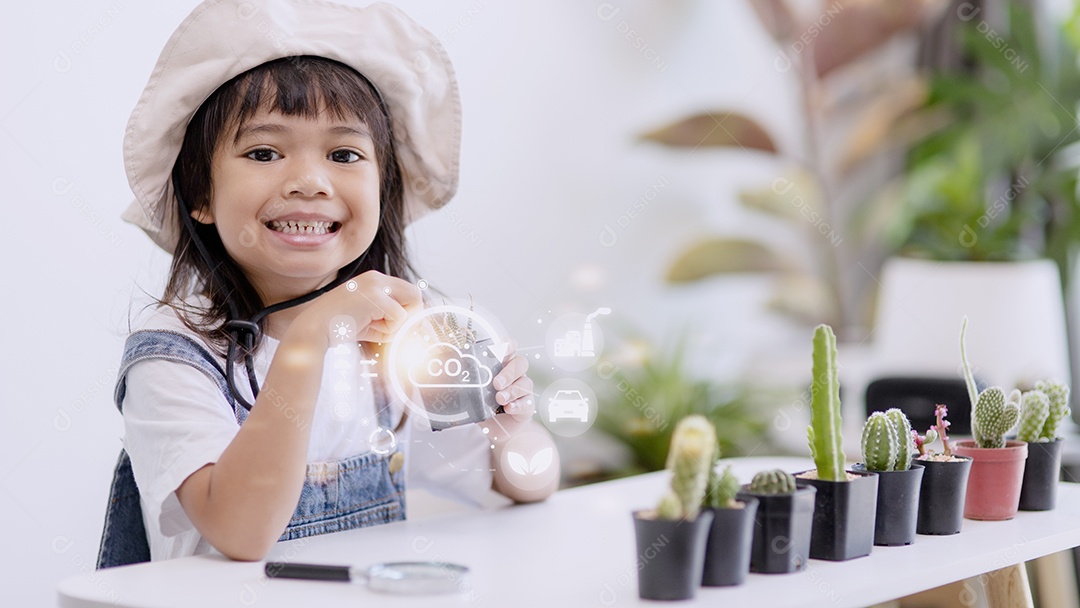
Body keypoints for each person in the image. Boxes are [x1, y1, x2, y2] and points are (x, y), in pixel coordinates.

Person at [96, 0, 558, 568]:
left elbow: (531, 483)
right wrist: (309, 341)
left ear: (383, 190)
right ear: (200, 196)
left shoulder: (396, 343)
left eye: (343, 153)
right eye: (264, 152)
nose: (310, 182)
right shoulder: (176, 356)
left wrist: (508, 429)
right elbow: (240, 532)